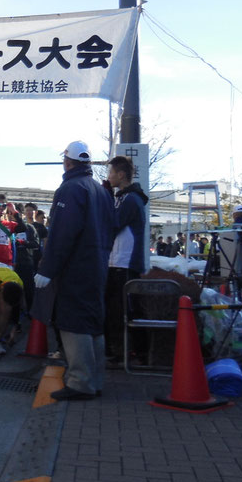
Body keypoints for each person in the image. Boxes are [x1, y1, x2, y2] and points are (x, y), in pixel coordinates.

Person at [34, 140, 115, 401]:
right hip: (98, 263)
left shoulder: (70, 188)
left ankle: (80, 382)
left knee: (73, 320)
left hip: (75, 266)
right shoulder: (101, 191)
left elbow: (61, 234)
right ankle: (95, 380)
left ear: (67, 161)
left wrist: (47, 269)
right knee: (94, 321)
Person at [103, 155, 148, 364]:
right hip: (118, 262)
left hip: (125, 264)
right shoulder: (124, 197)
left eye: (111, 173)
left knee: (122, 310)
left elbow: (112, 224)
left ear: (121, 175)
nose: (108, 176)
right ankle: (127, 351)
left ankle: (128, 353)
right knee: (118, 310)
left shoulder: (131, 199)